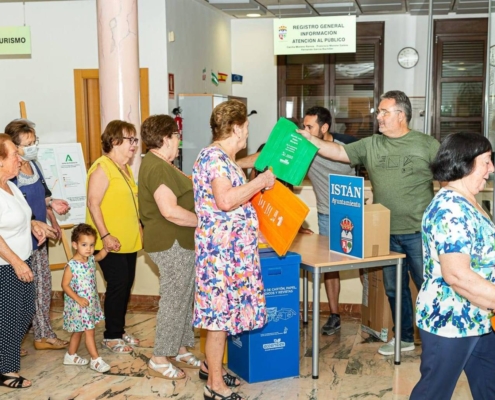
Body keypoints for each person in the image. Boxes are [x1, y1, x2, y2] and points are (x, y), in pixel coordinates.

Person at [298, 91, 440, 355]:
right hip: (386, 231)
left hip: (419, 231)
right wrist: (310, 139)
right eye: (378, 112)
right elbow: (338, 151)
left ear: (401, 115)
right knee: (394, 289)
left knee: (427, 286)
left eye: (384, 112)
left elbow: (447, 176)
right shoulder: (371, 144)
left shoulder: (426, 144)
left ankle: (439, 341)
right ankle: (404, 339)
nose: (379, 118)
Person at [239, 106, 358, 336]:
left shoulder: (345, 148)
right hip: (325, 214)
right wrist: (229, 163)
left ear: (324, 128)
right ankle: (335, 315)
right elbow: (266, 158)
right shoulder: (303, 147)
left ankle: (371, 319)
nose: (304, 130)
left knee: (362, 268)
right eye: (304, 125)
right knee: (330, 269)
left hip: (351, 214)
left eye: (310, 127)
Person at [192, 100, 276, 400]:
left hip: (230, 253)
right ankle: (214, 384)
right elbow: (225, 200)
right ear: (237, 127)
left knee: (223, 318)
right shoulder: (214, 158)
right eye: (247, 129)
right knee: (218, 320)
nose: (247, 135)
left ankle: (213, 370)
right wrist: (261, 182)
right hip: (221, 255)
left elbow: (237, 173)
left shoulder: (222, 158)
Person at [410, 132, 495, 399]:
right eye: (487, 161)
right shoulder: (451, 209)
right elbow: (457, 275)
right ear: (467, 162)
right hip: (450, 321)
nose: (491, 169)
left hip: (478, 317)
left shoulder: (467, 200)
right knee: (433, 393)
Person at [139, 114, 200, 380]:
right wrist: (203, 222)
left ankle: (181, 348)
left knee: (185, 298)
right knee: (174, 301)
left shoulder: (162, 163)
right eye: (176, 136)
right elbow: (169, 210)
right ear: (165, 139)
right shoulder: (158, 166)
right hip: (170, 242)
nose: (179, 141)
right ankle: (160, 356)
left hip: (178, 242)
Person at [5, 118, 71, 352]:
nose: (33, 147)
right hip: (17, 244)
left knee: (41, 289)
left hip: (39, 239)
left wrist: (53, 205)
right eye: (27, 144)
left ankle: (41, 334)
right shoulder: (10, 175)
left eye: (35, 142)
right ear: (13, 147)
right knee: (19, 295)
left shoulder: (35, 165)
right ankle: (14, 340)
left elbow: (41, 198)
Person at [86, 120, 142, 354]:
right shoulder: (102, 167)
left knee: (125, 285)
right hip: (109, 241)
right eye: (131, 140)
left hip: (127, 240)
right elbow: (93, 203)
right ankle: (110, 336)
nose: (134, 145)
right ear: (114, 141)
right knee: (117, 285)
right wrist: (105, 235)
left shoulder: (125, 169)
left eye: (135, 140)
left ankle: (118, 330)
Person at [0, 134, 51, 389]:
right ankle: (6, 370)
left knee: (26, 311)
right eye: (12, 155)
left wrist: (34, 224)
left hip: (21, 260)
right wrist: (17, 262)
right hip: (5, 266)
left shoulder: (10, 185)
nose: (19, 159)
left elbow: (20, 215)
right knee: (9, 316)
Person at [61, 223, 110, 373]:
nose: (89, 248)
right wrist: (78, 299)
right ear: (75, 245)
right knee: (89, 330)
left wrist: (107, 248)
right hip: (78, 305)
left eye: (91, 244)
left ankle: (70, 355)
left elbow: (100, 256)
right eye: (84, 244)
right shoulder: (72, 265)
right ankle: (95, 360)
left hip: (89, 304)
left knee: (78, 331)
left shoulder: (89, 259)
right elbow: (65, 285)